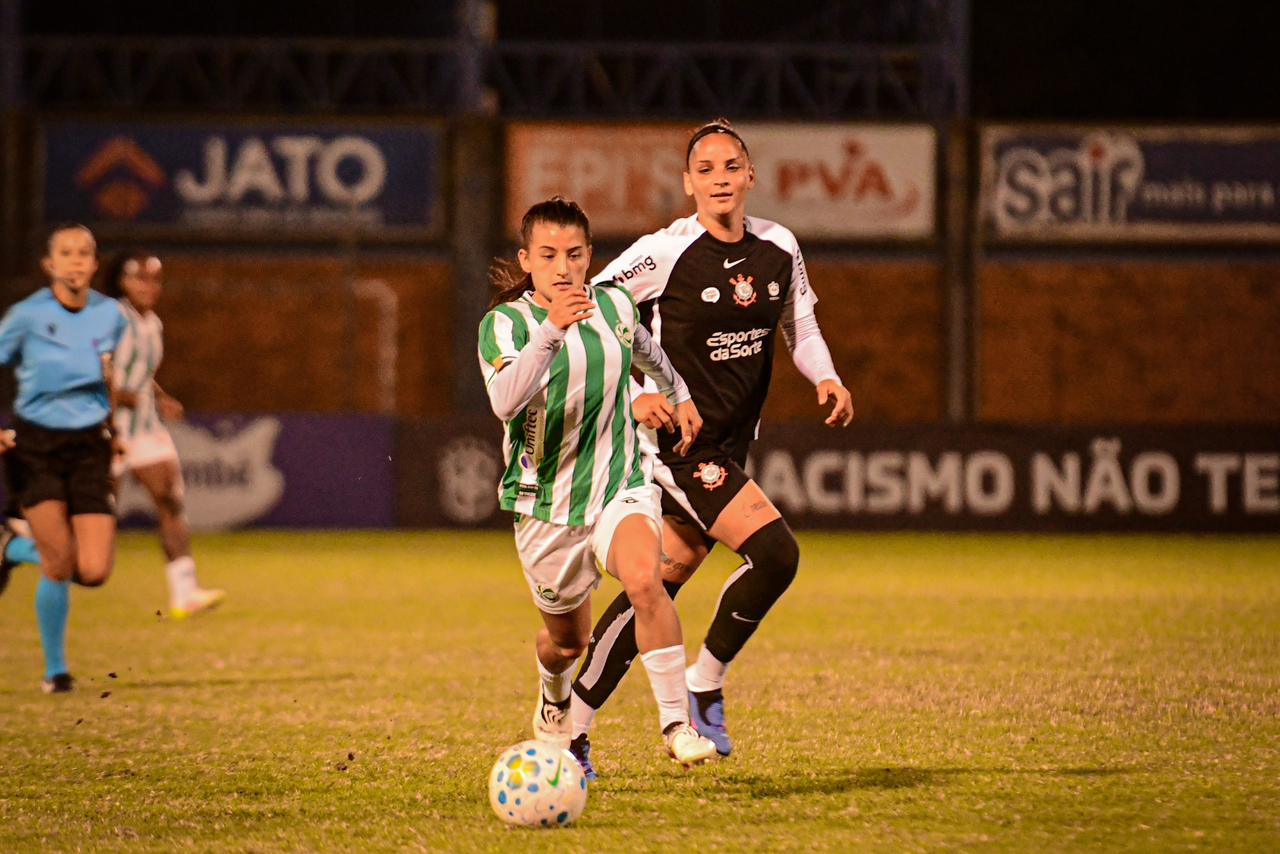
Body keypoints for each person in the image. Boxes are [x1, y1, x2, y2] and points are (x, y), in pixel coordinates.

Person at [568, 120, 855, 777]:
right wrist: (637, 391)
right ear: (688, 183)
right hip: (676, 445)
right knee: (775, 553)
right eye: (706, 169)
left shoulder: (779, 246)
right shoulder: (664, 252)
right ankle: (703, 685)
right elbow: (595, 311)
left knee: (652, 591)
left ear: (750, 175)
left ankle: (571, 727)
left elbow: (800, 323)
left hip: (728, 445)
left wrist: (827, 376)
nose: (720, 178)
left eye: (731, 166)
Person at [478, 196, 718, 768]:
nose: (563, 268)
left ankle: (677, 725)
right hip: (546, 506)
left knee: (645, 581)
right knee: (567, 643)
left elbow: (652, 356)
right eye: (548, 255)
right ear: (527, 260)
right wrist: (552, 331)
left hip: (620, 483)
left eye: (574, 254)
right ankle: (553, 694)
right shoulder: (505, 325)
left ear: (589, 257)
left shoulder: (615, 306)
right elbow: (506, 401)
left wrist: (679, 395)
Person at [0, 223, 127, 693]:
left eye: (84, 253)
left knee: (92, 571)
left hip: (89, 447)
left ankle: (10, 547)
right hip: (36, 447)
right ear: (49, 264)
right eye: (66, 253)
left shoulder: (111, 315)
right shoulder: (26, 316)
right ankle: (55, 671)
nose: (76, 261)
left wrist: (114, 429)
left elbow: (108, 376)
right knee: (58, 563)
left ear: (95, 264)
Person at [99, 251, 224, 619]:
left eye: (155, 279)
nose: (149, 286)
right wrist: (118, 396)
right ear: (122, 281)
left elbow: (140, 372)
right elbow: (95, 367)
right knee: (97, 516)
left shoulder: (152, 323)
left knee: (170, 500)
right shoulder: (111, 318)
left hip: (146, 428)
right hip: (108, 428)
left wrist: (159, 396)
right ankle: (24, 542)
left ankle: (185, 592)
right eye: (140, 278)